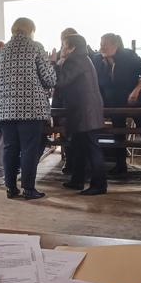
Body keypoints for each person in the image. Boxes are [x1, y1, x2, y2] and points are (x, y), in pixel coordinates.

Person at [0, 17, 56, 200]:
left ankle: (11, 188)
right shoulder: (36, 47)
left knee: (9, 148)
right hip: (30, 108)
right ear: (31, 30)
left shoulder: (0, 52)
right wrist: (52, 63)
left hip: (4, 109)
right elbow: (49, 79)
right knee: (29, 149)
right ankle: (29, 189)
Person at [97, 33, 141, 176]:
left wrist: (136, 90)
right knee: (118, 132)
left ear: (115, 45)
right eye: (101, 43)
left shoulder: (128, 55)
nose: (102, 46)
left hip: (134, 99)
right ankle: (121, 165)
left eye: (106, 43)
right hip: (114, 102)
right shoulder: (99, 60)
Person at [56, 34, 107, 195]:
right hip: (85, 110)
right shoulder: (84, 58)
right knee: (78, 147)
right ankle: (77, 181)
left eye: (64, 45)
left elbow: (61, 81)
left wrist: (53, 63)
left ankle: (99, 185)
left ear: (72, 47)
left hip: (84, 112)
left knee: (92, 148)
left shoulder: (75, 60)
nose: (62, 48)